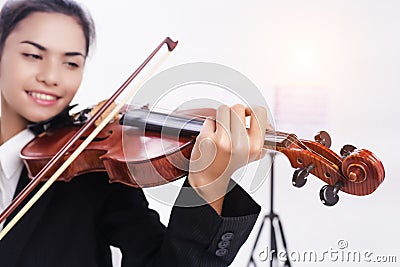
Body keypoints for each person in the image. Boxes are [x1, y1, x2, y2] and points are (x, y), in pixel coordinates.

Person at [0, 0, 268, 266]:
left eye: (71, 63)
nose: (51, 77)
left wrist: (210, 185)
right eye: (33, 56)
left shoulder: (90, 172)